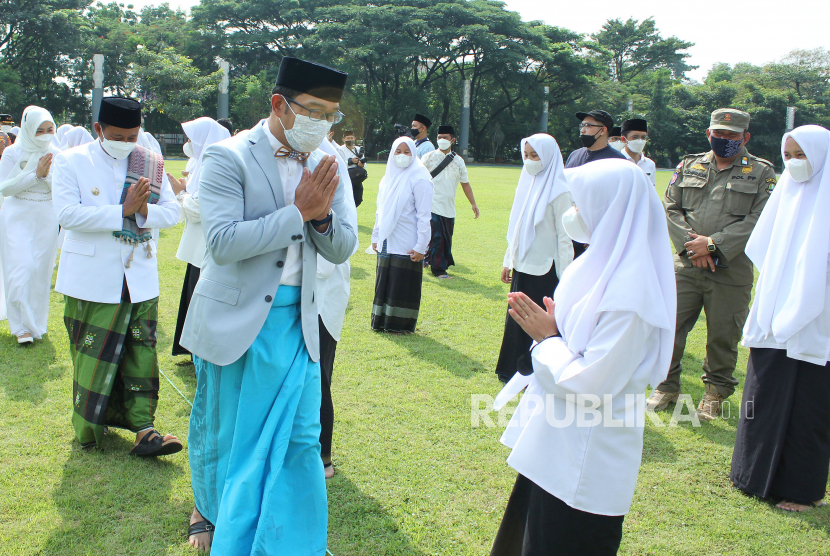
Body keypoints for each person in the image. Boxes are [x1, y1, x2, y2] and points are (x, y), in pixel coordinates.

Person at [180, 56, 356, 554]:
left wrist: (320, 221)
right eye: (313, 111)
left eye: (332, 114)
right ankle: (209, 512)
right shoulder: (228, 157)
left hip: (300, 323)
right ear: (279, 105)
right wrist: (298, 213)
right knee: (226, 433)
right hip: (235, 321)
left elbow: (343, 246)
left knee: (300, 440)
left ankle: (293, 541)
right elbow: (221, 242)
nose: (322, 124)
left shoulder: (332, 161)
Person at [490, 159, 676, 556]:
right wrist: (558, 331)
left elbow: (592, 384)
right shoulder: (596, 261)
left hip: (584, 457)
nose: (573, 214)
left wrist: (546, 339)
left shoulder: (631, 293)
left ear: (610, 209)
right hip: (555, 442)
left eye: (580, 204)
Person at [51, 96, 182, 455]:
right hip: (91, 277)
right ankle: (90, 428)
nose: (127, 143)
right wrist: (119, 211)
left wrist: (142, 214)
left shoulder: (150, 162)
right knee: (92, 355)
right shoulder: (71, 161)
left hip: (139, 274)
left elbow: (172, 212)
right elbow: (66, 214)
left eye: (133, 136)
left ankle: (144, 429)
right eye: (118, 136)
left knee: (142, 351)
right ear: (98, 130)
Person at [648, 108, 776, 420]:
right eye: (719, 133)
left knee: (723, 333)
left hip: (731, 269)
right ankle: (666, 385)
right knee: (670, 326)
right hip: (687, 266)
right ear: (709, 133)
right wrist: (695, 247)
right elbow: (670, 206)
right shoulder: (688, 164)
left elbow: (760, 219)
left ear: (745, 137)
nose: (724, 139)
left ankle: (716, 391)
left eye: (732, 135)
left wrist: (713, 244)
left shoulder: (762, 172)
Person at [731, 125, 830, 512]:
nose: (793, 163)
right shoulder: (787, 190)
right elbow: (763, 246)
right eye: (788, 155)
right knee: (764, 394)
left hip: (817, 321)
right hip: (773, 315)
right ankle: (749, 474)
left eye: (801, 155)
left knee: (808, 407)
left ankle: (801, 490)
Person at [494, 134, 574, 383]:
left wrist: (567, 277)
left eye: (535, 155)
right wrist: (509, 259)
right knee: (516, 317)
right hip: (524, 265)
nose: (529, 161)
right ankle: (510, 368)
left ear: (548, 156)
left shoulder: (561, 191)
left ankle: (535, 371)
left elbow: (565, 239)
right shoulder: (528, 183)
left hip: (546, 269)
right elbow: (516, 226)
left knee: (538, 321)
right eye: (526, 155)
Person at [166, 117, 230, 359]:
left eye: (193, 139)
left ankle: (200, 353)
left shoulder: (216, 165)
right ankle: (191, 350)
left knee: (201, 298)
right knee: (193, 296)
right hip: (199, 245)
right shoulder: (203, 163)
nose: (189, 143)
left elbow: (198, 208)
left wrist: (180, 193)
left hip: (208, 243)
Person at [316, 137, 358, 480]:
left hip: (322, 294)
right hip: (280, 296)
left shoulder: (329, 163)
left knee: (318, 377)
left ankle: (322, 455)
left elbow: (342, 242)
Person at [0, 106, 60, 345]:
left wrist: (45, 177)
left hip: (46, 215)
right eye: (39, 131)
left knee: (39, 271)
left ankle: (35, 323)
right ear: (28, 129)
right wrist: (35, 174)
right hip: (17, 214)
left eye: (49, 129)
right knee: (21, 268)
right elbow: (5, 187)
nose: (45, 135)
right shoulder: (13, 153)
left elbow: (62, 186)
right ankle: (20, 327)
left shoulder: (57, 152)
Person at [371, 136, 433, 333]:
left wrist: (421, 246)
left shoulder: (421, 177)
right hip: (387, 239)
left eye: (407, 152)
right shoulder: (387, 178)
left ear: (414, 154)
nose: (402, 156)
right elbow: (380, 210)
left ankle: (399, 325)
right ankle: (380, 322)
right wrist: (376, 235)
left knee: (401, 282)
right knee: (385, 280)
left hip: (408, 240)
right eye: (398, 151)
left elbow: (424, 216)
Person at [422, 124, 479, 278]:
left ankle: (427, 259)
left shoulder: (459, 161)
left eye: (445, 137)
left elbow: (465, 183)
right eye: (439, 137)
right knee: (437, 236)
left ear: (453, 140)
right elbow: (418, 179)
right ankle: (438, 269)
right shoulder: (428, 157)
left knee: (445, 237)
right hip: (431, 204)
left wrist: (473, 204)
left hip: (448, 207)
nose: (442, 140)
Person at [620, 118, 657, 187]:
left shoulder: (649, 164)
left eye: (643, 137)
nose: (640, 140)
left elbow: (651, 190)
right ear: (623, 139)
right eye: (635, 137)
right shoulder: (616, 161)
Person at [339, 129, 367, 207]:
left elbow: (364, 164)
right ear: (343, 139)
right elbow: (341, 163)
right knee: (346, 196)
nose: (350, 140)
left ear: (355, 138)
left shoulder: (358, 149)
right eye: (348, 138)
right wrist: (351, 161)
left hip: (357, 177)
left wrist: (361, 164)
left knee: (358, 197)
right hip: (346, 176)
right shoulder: (340, 149)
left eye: (352, 138)